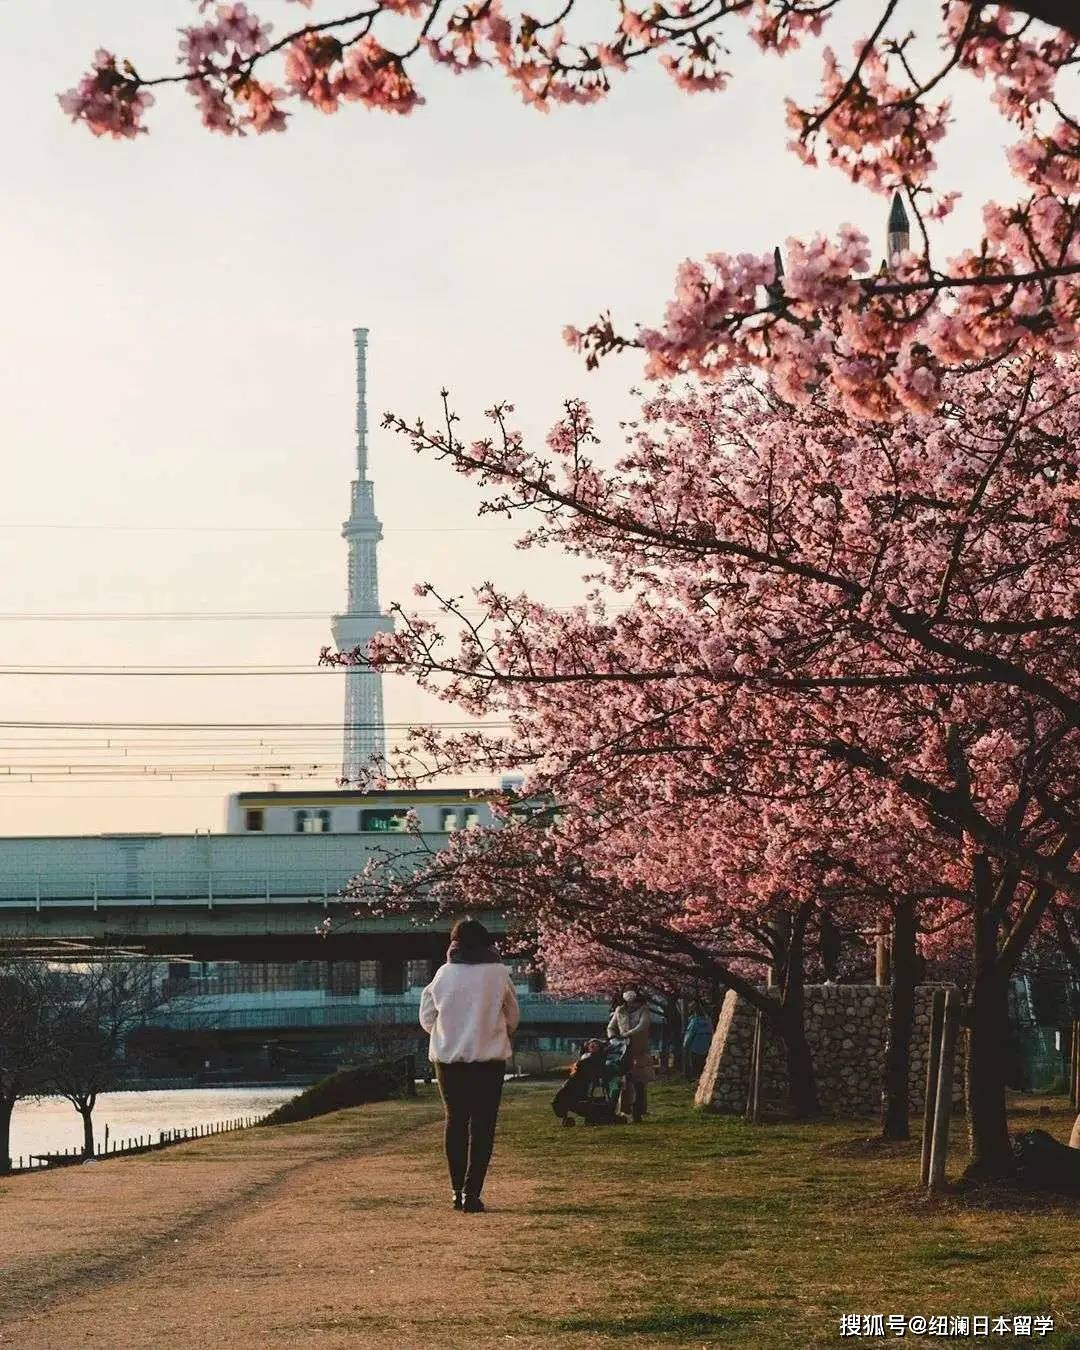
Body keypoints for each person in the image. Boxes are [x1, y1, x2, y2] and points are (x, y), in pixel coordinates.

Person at [419, 918, 519, 1213]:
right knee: (483, 1125)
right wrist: (494, 1029)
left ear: (455, 944)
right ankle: (473, 1192)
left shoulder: (443, 974)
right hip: (489, 1060)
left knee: (456, 1122)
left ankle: (456, 1191)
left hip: (450, 1061)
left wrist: (446, 1031)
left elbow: (426, 1016)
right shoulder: (499, 973)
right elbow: (513, 1016)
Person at [607, 988, 654, 1122]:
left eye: (634, 1002)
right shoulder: (619, 1010)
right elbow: (611, 1027)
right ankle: (624, 1109)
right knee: (624, 1082)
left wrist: (628, 1034)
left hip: (639, 1050)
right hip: (623, 1050)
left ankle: (639, 1110)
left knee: (639, 1081)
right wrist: (613, 1038)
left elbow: (643, 1025)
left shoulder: (644, 1010)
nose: (632, 1004)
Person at [682, 1003, 714, 1079]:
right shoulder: (708, 1021)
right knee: (704, 1069)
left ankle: (695, 1081)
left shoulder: (694, 1021)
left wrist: (685, 1045)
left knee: (695, 1068)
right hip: (706, 1048)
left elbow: (690, 1035)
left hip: (695, 1048)